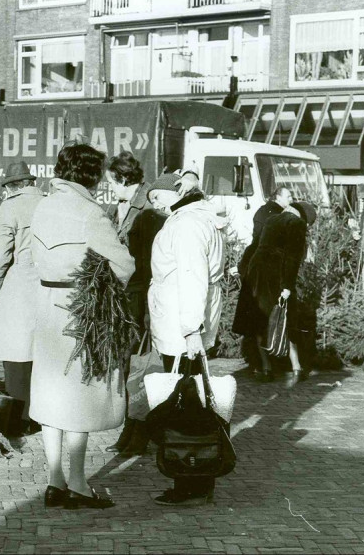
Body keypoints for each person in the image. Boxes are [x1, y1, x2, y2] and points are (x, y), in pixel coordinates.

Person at [30, 143, 135, 510]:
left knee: (50, 394)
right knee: (79, 395)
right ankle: (77, 482)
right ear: (91, 175)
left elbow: (34, 258)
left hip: (46, 308)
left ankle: (53, 481)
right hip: (81, 311)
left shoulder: (42, 205)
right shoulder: (90, 212)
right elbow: (124, 265)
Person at [146, 172, 227, 505]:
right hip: (184, 326)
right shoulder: (195, 218)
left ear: (175, 193)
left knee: (186, 410)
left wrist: (191, 329)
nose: (155, 206)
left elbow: (193, 277)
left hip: (183, 331)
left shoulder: (186, 224)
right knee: (193, 406)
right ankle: (194, 479)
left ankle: (191, 480)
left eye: (157, 198)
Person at [104, 151, 165, 456]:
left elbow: (148, 262)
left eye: (111, 182)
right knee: (129, 364)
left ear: (124, 179)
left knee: (139, 365)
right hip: (127, 295)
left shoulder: (147, 210)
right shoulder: (122, 206)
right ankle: (134, 427)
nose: (109, 188)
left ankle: (140, 428)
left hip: (140, 297)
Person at [0, 162, 44, 429]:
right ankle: (39, 413)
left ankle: (19, 417)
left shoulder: (11, 206)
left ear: (12, 186)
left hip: (18, 280)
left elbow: (1, 250)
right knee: (39, 351)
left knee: (15, 352)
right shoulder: (48, 203)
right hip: (46, 282)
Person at [241, 201, 317, 384]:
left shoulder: (272, 219)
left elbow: (255, 247)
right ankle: (296, 368)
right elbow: (292, 259)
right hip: (277, 278)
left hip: (258, 276)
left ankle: (266, 368)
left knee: (261, 322)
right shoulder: (296, 224)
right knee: (286, 321)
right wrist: (287, 287)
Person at [233, 187, 293, 373]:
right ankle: (272, 364)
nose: (291, 199)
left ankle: (263, 365)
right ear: (278, 197)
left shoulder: (264, 211)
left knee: (259, 320)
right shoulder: (277, 216)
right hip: (270, 272)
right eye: (288, 196)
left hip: (256, 269)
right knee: (269, 318)